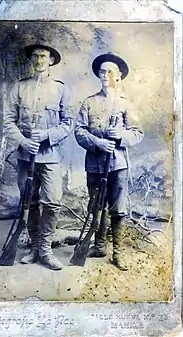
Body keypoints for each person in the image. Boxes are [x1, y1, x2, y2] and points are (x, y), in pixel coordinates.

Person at [3, 39, 73, 270]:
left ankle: (45, 249)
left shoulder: (60, 89)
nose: (39, 60)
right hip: (25, 157)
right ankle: (34, 248)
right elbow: (8, 120)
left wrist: (45, 136)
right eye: (35, 56)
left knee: (52, 202)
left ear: (51, 60)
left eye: (43, 56)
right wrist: (23, 141)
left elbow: (67, 123)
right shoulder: (19, 87)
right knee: (30, 202)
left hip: (50, 155)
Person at [75, 53, 144, 271]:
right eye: (102, 71)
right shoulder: (89, 102)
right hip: (95, 163)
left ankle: (118, 253)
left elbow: (137, 132)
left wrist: (120, 135)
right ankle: (99, 245)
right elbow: (79, 130)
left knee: (118, 208)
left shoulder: (126, 104)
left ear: (120, 76)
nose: (106, 75)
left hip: (117, 164)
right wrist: (98, 143)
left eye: (111, 71)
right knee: (96, 205)